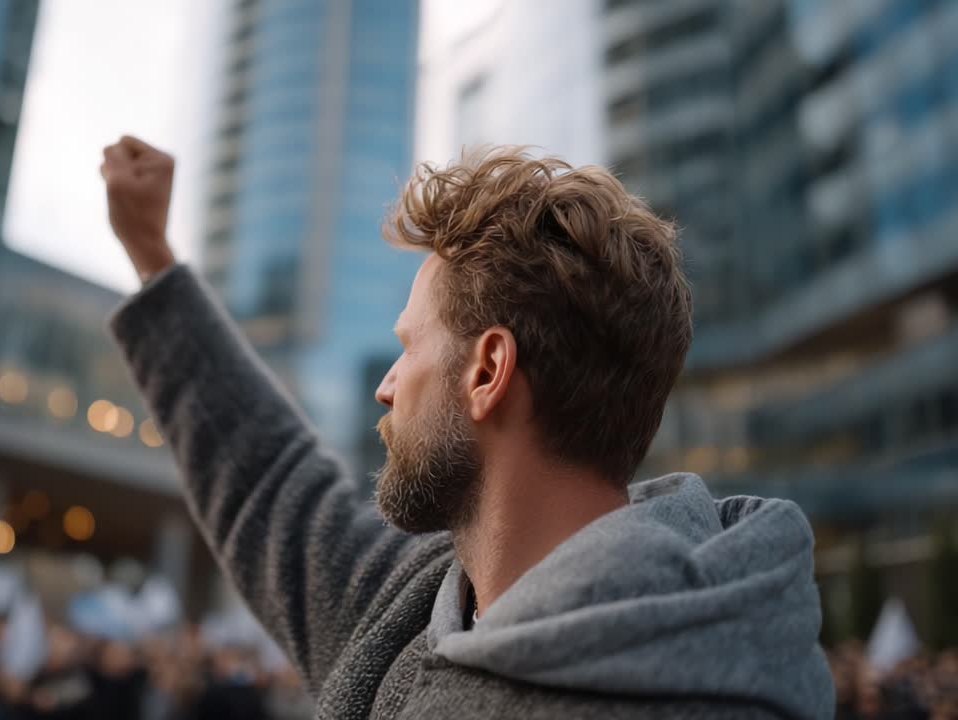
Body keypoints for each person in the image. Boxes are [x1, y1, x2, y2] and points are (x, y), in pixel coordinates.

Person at [101, 134, 837, 719]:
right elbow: (274, 486)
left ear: (487, 372)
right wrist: (153, 257)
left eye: (407, 347)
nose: (386, 389)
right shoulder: (417, 610)